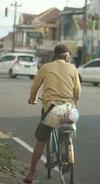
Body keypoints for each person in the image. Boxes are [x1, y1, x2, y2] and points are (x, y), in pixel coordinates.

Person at [23, 44, 81, 183]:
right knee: (68, 126)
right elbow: (77, 92)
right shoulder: (72, 68)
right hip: (71, 111)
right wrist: (74, 103)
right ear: (67, 56)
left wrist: (33, 99)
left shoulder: (46, 67)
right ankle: (67, 151)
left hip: (52, 110)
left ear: (55, 56)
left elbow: (35, 87)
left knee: (41, 140)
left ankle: (31, 174)